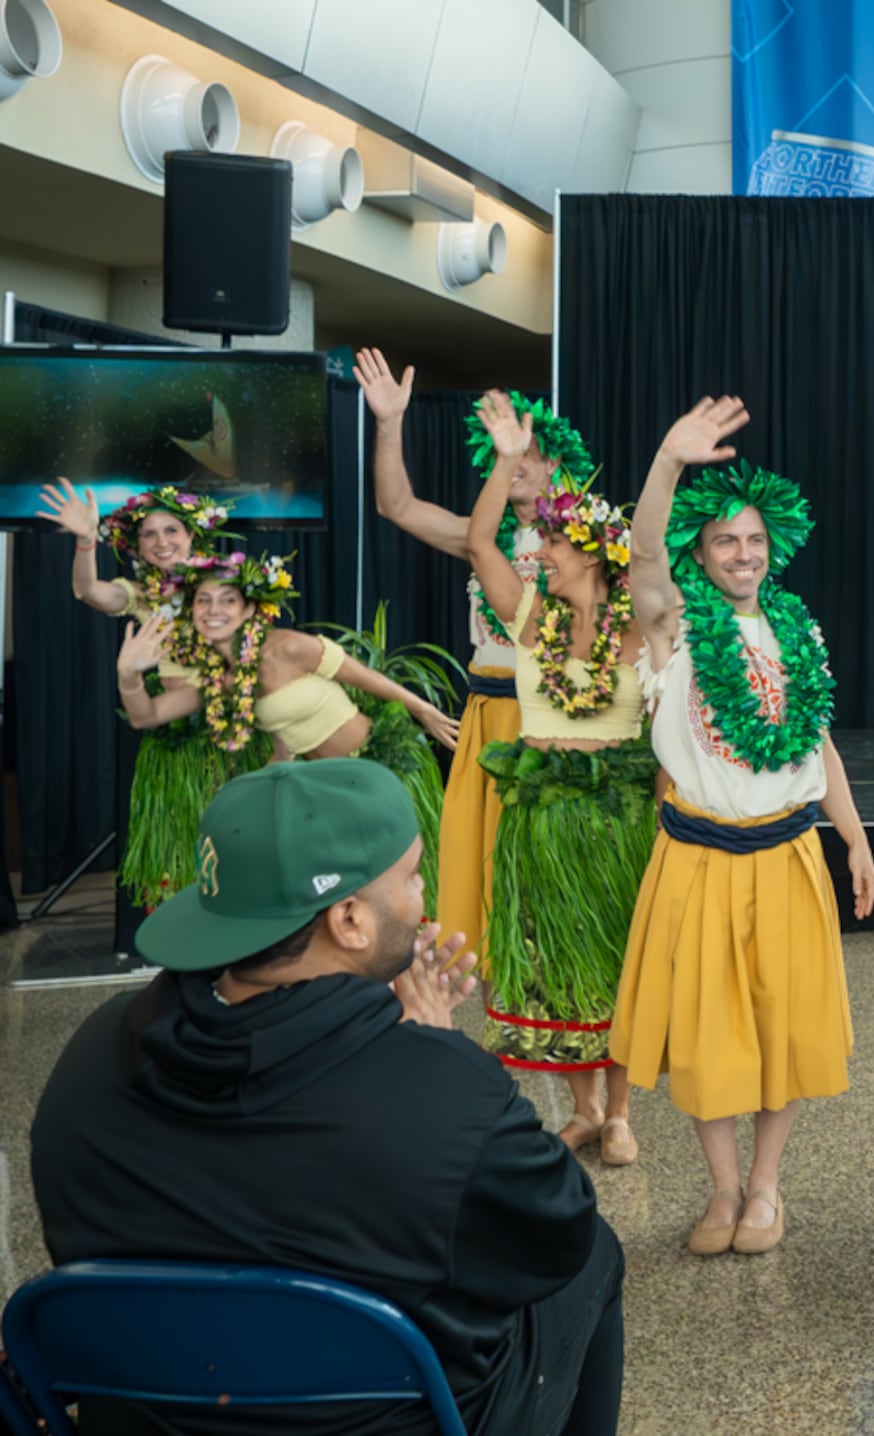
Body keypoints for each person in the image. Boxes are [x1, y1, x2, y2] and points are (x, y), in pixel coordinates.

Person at [29, 760, 625, 1436]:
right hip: (382, 1422)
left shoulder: (93, 1052)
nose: (423, 896)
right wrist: (440, 1053)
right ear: (349, 919)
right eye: (412, 875)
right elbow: (557, 1237)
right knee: (596, 1253)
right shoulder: (441, 1097)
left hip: (149, 1413)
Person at [613, 403, 874, 1257]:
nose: (743, 554)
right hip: (699, 859)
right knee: (707, 1034)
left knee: (784, 1029)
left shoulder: (796, 628)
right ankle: (723, 1191)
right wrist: (667, 458)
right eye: (725, 541)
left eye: (754, 540)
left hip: (789, 852)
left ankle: (766, 1187)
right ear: (702, 553)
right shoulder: (673, 625)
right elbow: (643, 551)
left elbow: (818, 743)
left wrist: (854, 836)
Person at [464, 390, 655, 1164]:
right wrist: (509, 455)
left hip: (617, 814)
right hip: (541, 813)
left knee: (616, 953)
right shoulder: (529, 619)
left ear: (591, 553)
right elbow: (480, 539)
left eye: (551, 544)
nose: (536, 553)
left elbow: (653, 559)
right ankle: (580, 1108)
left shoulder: (640, 625)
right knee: (552, 954)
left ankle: (621, 1114)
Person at [356, 349, 587, 963]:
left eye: (526, 452)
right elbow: (397, 506)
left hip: (549, 715)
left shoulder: (590, 540)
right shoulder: (484, 540)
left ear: (554, 459)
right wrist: (388, 422)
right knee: (483, 856)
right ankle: (499, 983)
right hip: (487, 710)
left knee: (540, 857)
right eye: (502, 455)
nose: (514, 465)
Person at [115, 553, 460, 883]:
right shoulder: (221, 681)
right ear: (191, 611)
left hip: (383, 773)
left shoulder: (287, 647)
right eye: (203, 600)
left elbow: (368, 680)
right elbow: (147, 716)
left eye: (227, 600)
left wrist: (423, 710)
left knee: (417, 882)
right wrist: (128, 675)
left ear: (249, 609)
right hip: (329, 787)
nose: (213, 610)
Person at [37, 481, 253, 911]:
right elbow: (90, 592)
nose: (161, 542)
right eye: (149, 535)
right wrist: (85, 541)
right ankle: (186, 966)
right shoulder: (144, 596)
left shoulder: (232, 589)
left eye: (171, 531)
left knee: (241, 850)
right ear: (136, 547)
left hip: (238, 736)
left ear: (193, 535)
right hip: (174, 742)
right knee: (179, 855)